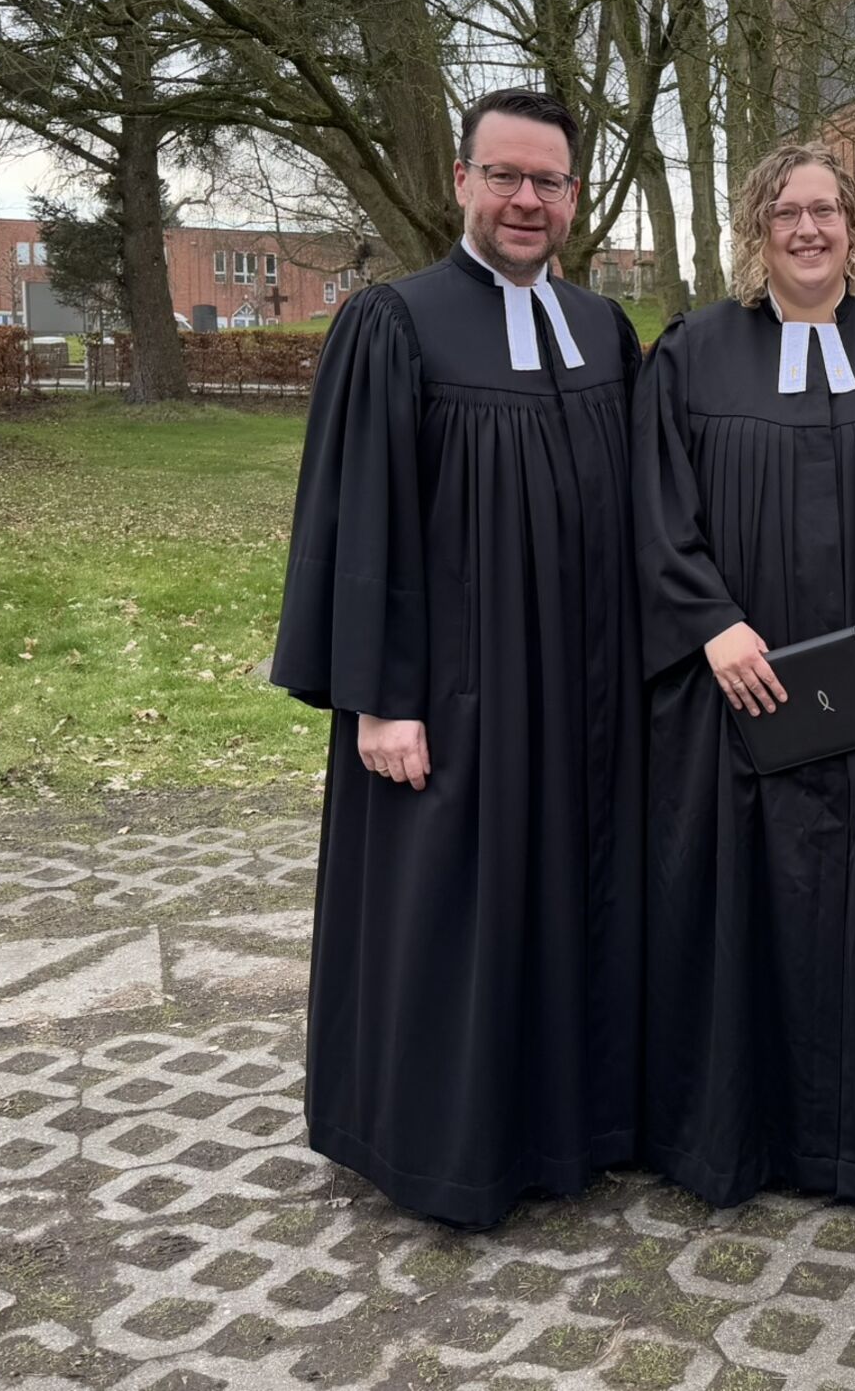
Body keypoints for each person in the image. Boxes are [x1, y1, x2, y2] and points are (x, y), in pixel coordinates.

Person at [270, 88, 644, 1229]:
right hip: (456, 697)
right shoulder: (397, 323)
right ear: (463, 183)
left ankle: (570, 1131)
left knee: (573, 902)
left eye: (549, 182)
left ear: (574, 199)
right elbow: (359, 521)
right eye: (506, 176)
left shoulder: (603, 332)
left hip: (582, 697)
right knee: (455, 915)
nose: (527, 200)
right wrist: (382, 699)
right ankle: (442, 1146)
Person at [635, 141, 855, 1208]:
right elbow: (654, 508)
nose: (808, 230)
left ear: (853, 226)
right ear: (756, 229)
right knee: (737, 904)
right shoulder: (694, 354)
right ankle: (732, 1140)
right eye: (785, 213)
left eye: (825, 211)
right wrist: (711, 625)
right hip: (736, 691)